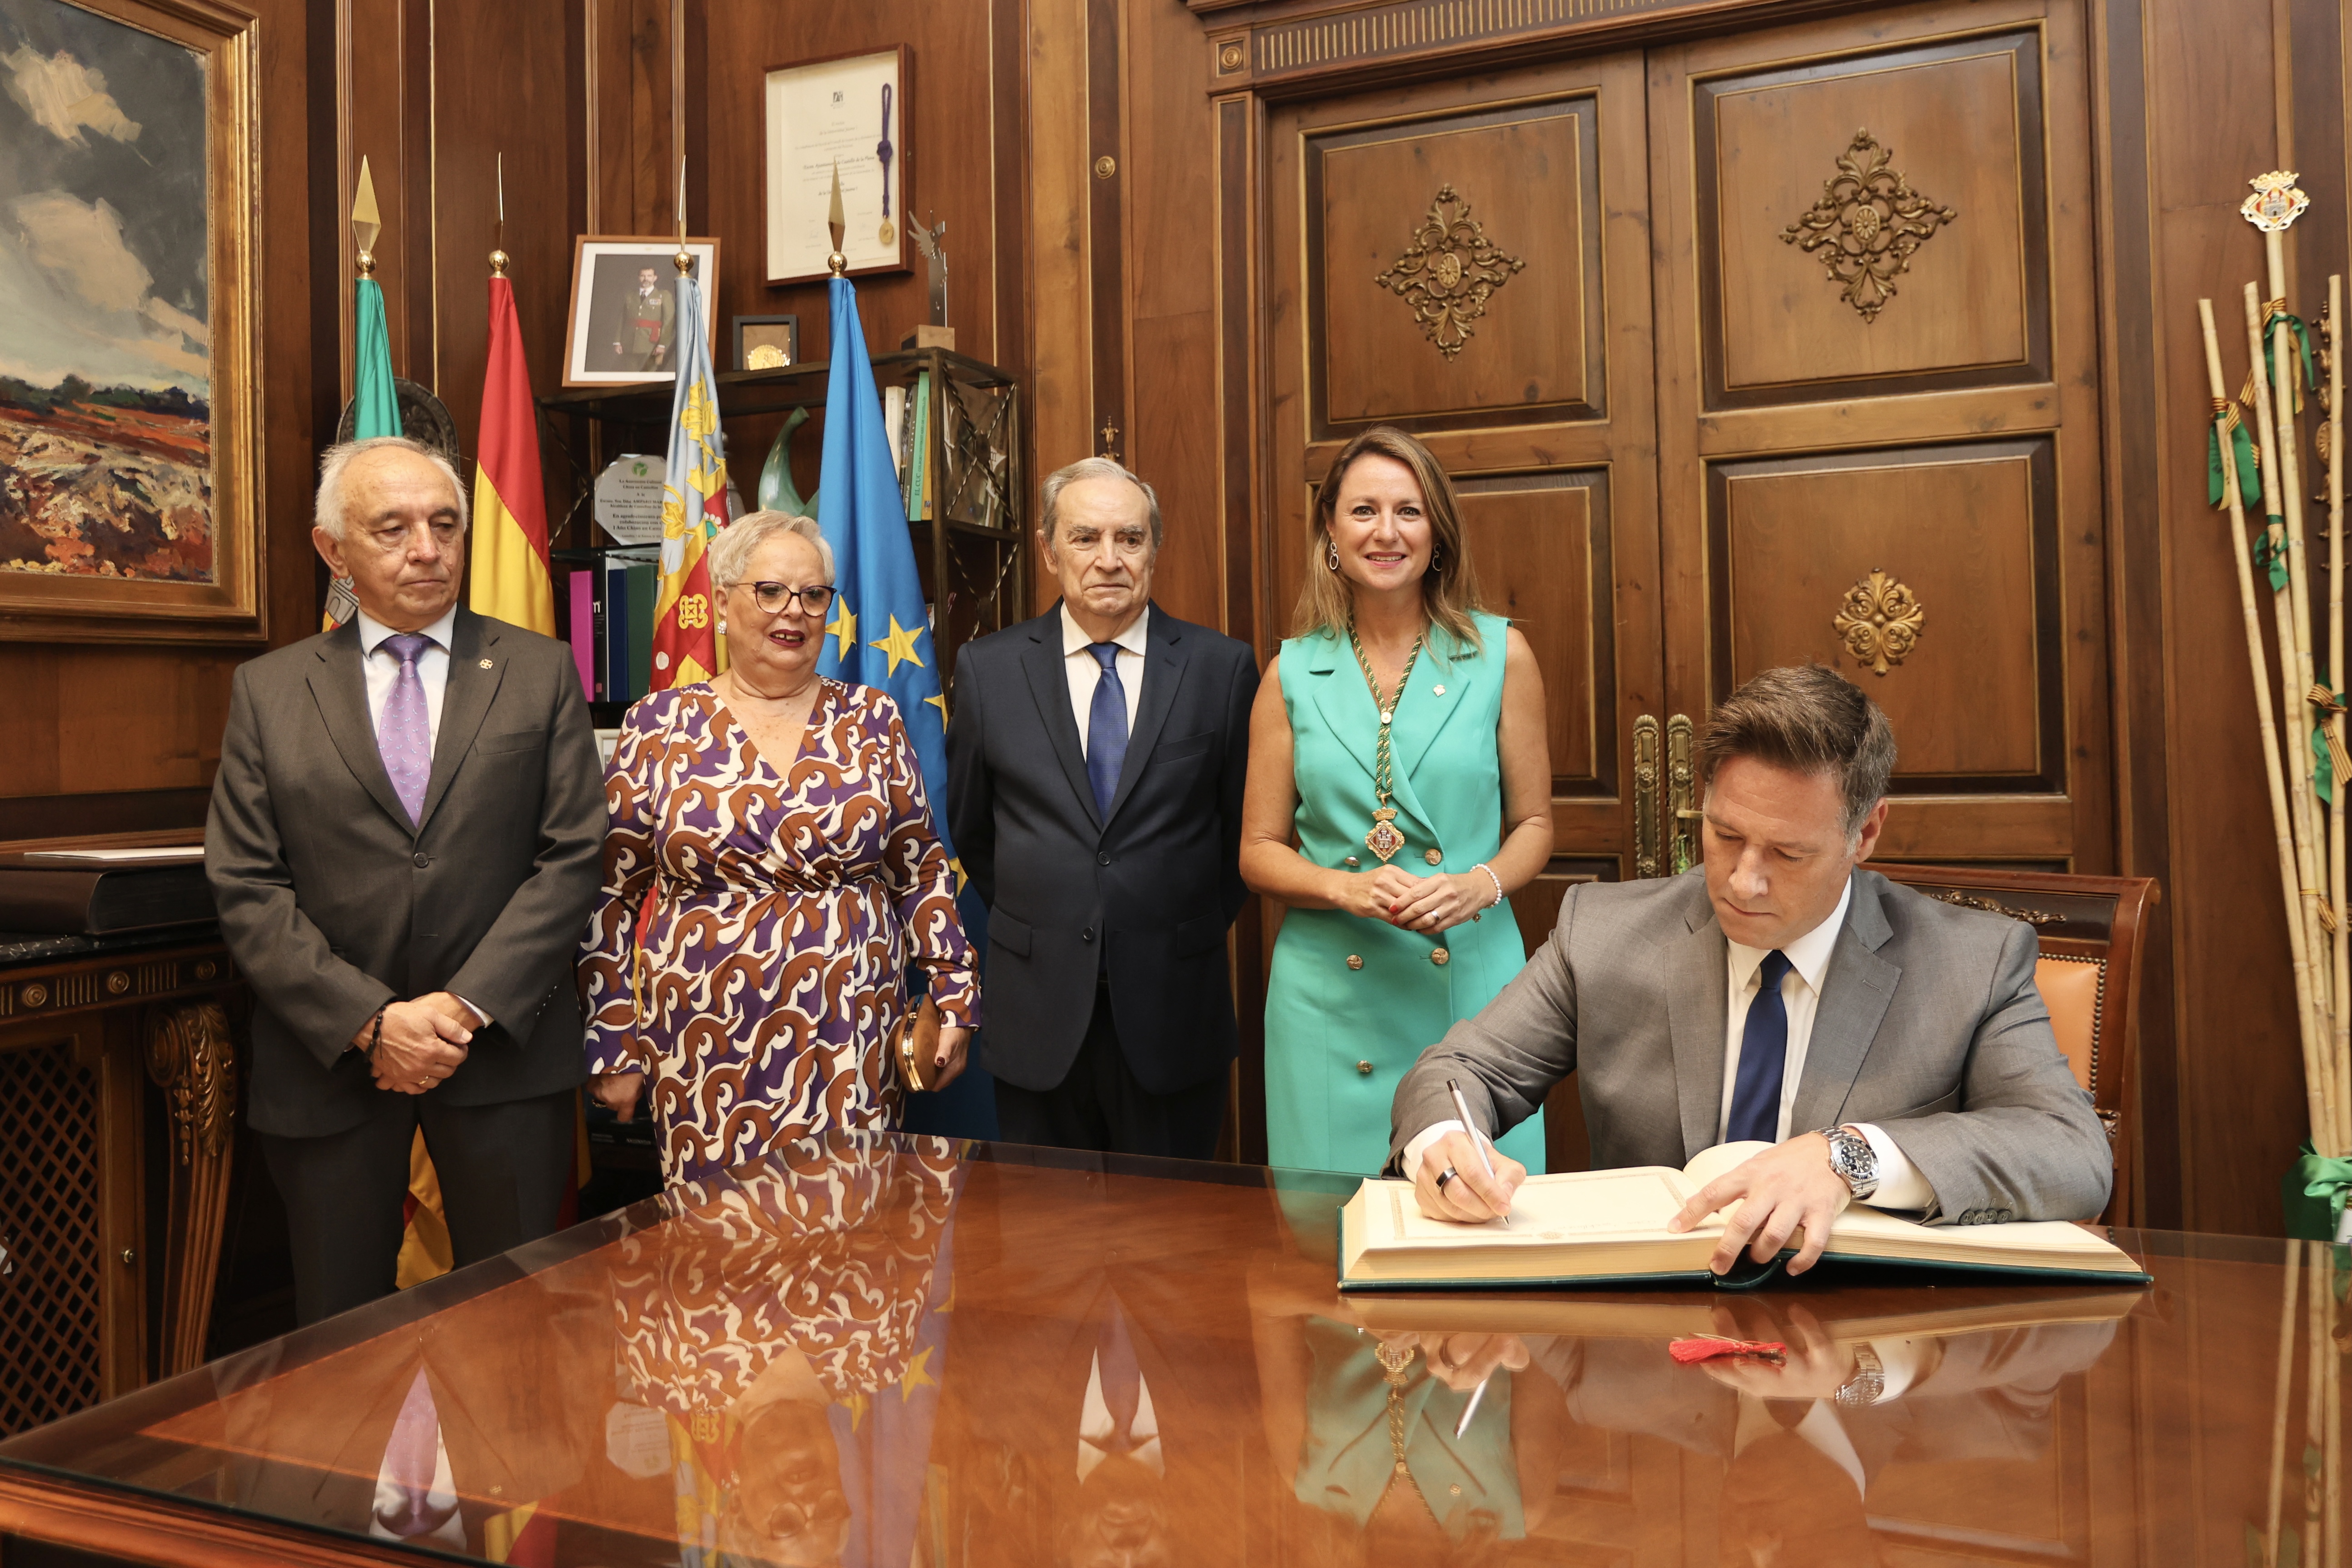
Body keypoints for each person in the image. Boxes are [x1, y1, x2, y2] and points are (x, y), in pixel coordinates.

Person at [1395, 664, 2114, 1271]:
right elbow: (1457, 1072)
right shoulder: (1606, 931)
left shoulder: (1971, 962)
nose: (1743, 880)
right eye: (1724, 833)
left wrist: (1848, 1156)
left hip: (1867, 1368)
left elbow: (2072, 1152)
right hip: (1646, 1370)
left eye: (1787, 853)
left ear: (1866, 832)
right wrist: (1443, 1146)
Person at [204, 434, 606, 1325]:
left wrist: (461, 1009)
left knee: (515, 1348)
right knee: (336, 1345)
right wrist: (369, 1021)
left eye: (444, 524)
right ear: (332, 550)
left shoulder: (539, 671)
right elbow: (247, 886)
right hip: (332, 1076)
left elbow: (573, 853)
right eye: (392, 528)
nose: (427, 549)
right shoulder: (267, 692)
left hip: (502, 1061)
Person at [580, 510, 977, 1184]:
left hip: (851, 1030)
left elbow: (922, 872)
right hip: (702, 1040)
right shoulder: (658, 723)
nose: (793, 611)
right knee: (715, 1247)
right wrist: (612, 1039)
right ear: (725, 597)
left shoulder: (873, 718)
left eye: (814, 594)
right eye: (771, 590)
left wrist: (956, 991)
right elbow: (609, 894)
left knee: (849, 1237)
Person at [1241, 425, 1554, 1176]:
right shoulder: (1289, 672)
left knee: (1486, 1227)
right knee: (1331, 1244)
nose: (1387, 533)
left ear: (1437, 532)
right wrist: (1341, 885)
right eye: (1364, 512)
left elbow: (1537, 825)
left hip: (1471, 988)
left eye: (1408, 512)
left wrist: (1476, 885)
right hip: (1328, 1001)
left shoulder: (1500, 653)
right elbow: (1257, 852)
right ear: (1331, 531)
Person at [946, 457, 1258, 1159]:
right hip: (1037, 1013)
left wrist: (1165, 920)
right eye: (1086, 538)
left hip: (1175, 1010)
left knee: (1172, 1247)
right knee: (1046, 1248)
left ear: (1155, 549)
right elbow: (973, 829)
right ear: (1051, 551)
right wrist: (1055, 912)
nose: (1109, 560)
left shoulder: (1222, 668)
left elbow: (1244, 835)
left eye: (1131, 538)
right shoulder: (988, 670)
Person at [609, 264, 673, 372]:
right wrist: (618, 342)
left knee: (649, 378)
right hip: (630, 344)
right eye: (643, 276)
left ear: (655, 278)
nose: (646, 279)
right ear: (639, 278)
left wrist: (663, 345)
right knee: (631, 376)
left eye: (649, 276)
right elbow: (622, 320)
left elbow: (669, 322)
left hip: (652, 344)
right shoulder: (630, 296)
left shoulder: (664, 296)